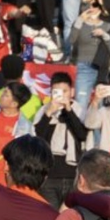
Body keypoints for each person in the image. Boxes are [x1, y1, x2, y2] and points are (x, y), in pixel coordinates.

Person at [34, 71, 89, 207]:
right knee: (49, 215)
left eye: (65, 91)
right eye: (56, 92)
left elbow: (81, 134)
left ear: (72, 92)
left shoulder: (80, 110)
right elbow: (38, 137)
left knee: (70, 215)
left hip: (72, 175)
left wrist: (68, 109)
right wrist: (49, 113)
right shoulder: (44, 111)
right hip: (48, 176)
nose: (61, 95)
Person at [69, 0, 110, 109]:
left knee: (101, 107)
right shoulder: (79, 23)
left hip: (103, 69)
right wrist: (80, 19)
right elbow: (71, 40)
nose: (91, 8)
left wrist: (105, 35)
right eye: (87, 4)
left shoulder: (107, 25)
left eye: (95, 4)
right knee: (81, 104)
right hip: (84, 67)